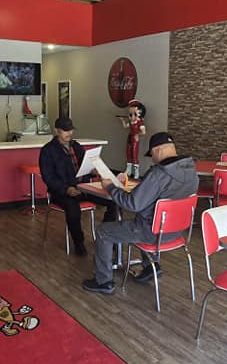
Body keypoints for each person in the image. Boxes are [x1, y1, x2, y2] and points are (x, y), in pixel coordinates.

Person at [82, 131, 199, 294]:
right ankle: (152, 266)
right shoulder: (191, 171)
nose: (152, 159)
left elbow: (132, 204)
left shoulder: (159, 174)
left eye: (151, 154)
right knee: (149, 217)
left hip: (152, 233)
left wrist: (110, 187)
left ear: (157, 150)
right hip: (177, 231)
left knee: (103, 231)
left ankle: (104, 282)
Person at [38, 117, 116, 256]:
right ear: (57, 131)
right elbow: (48, 178)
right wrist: (66, 189)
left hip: (83, 187)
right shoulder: (48, 151)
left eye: (71, 130)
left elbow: (85, 166)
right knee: (73, 210)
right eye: (65, 130)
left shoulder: (77, 146)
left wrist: (93, 170)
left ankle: (106, 235)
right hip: (61, 192)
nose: (69, 133)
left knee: (113, 201)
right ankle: (78, 242)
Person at [120, 99, 146, 180]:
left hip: (135, 139)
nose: (132, 116)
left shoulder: (140, 123)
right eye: (130, 114)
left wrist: (137, 134)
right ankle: (128, 171)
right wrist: (122, 121)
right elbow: (125, 126)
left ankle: (136, 172)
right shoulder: (131, 122)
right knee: (128, 153)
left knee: (134, 154)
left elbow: (143, 132)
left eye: (134, 114)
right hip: (129, 138)